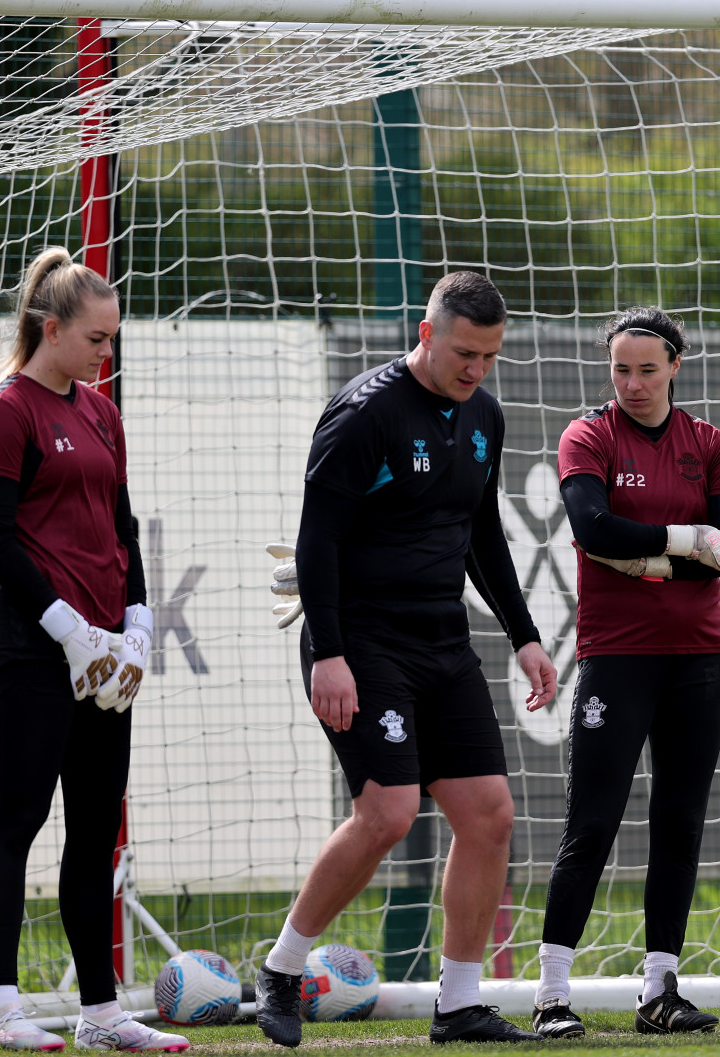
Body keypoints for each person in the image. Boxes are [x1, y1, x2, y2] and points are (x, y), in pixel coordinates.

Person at [254, 271, 559, 1048]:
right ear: (426, 335)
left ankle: (458, 1006)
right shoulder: (364, 415)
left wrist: (524, 635)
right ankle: (283, 969)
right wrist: (329, 654)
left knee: (489, 816)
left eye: (489, 357)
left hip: (442, 642)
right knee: (388, 812)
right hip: (360, 641)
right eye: (464, 353)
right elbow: (316, 540)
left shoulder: (483, 413)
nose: (475, 370)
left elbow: (481, 533)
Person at [0, 247, 187, 1053]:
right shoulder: (6, 411)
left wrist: (137, 624)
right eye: (96, 337)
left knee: (96, 831)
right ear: (49, 328)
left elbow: (122, 531)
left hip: (102, 654)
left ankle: (100, 1013)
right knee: (19, 815)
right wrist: (65, 625)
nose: (107, 352)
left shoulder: (101, 412)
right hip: (30, 645)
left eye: (113, 337)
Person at [528, 307, 720, 1040]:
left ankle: (660, 991)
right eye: (621, 369)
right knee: (590, 823)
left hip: (699, 655)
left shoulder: (710, 445)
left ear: (676, 367)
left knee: (680, 822)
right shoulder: (587, 436)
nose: (632, 383)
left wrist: (646, 557)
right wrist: (690, 543)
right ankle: (552, 995)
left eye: (647, 369)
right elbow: (593, 529)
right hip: (615, 654)